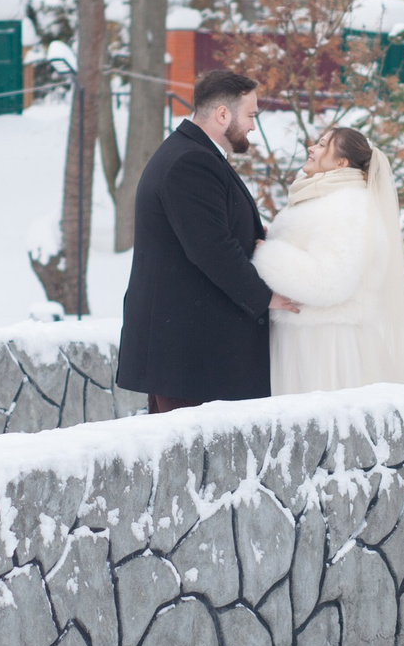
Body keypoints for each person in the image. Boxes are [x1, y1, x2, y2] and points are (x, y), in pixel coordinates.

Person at [117, 68, 297, 412]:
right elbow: (212, 248)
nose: (252, 127)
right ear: (222, 114)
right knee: (193, 462)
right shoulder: (191, 162)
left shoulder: (191, 153)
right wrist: (265, 297)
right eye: (250, 116)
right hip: (188, 354)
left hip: (188, 355)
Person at [251, 125, 404, 393]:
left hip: (325, 347)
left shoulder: (347, 207)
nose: (311, 148)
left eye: (321, 144)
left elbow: (329, 282)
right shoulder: (322, 199)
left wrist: (266, 255)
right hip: (305, 341)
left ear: (341, 162)